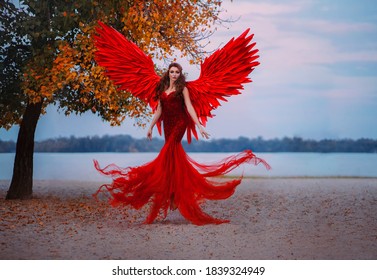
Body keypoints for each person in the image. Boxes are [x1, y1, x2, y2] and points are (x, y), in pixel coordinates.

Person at [93, 22, 270, 225]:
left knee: (168, 153)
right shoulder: (161, 89)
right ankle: (174, 195)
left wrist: (200, 126)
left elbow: (190, 108)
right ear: (168, 73)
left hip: (180, 123)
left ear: (180, 74)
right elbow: (159, 110)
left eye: (177, 72)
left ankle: (169, 194)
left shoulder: (184, 89)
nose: (174, 75)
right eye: (172, 72)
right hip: (167, 124)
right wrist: (151, 126)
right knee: (172, 158)